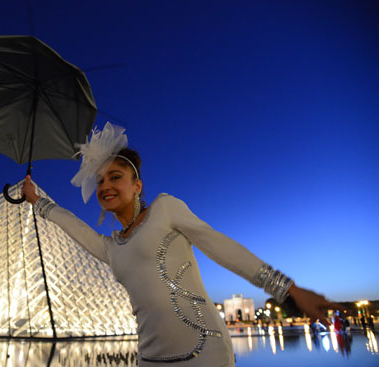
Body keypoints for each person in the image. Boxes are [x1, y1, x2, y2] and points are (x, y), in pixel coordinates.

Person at [22, 122, 339, 367]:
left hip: (205, 354)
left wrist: (289, 290)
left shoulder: (165, 209)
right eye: (100, 180)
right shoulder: (110, 247)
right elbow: (71, 225)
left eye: (115, 177)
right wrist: (37, 200)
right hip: (149, 360)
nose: (105, 185)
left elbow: (222, 248)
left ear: (137, 185)